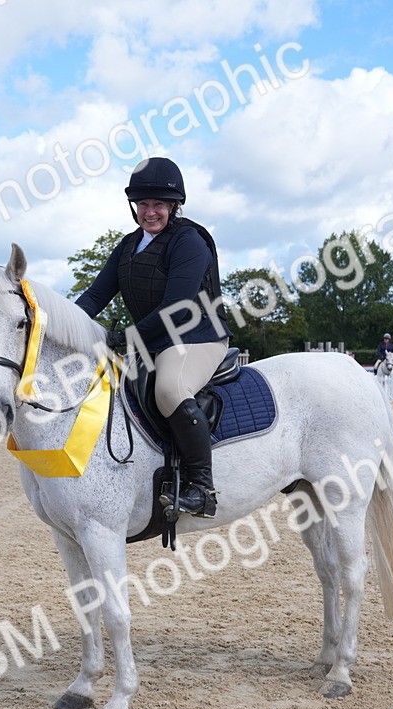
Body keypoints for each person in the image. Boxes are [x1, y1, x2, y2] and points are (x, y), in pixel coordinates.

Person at [75, 157, 232, 518]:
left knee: (169, 390)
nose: (150, 212)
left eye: (158, 204)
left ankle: (201, 487)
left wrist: (124, 337)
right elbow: (96, 296)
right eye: (143, 204)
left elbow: (176, 309)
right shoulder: (129, 246)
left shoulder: (190, 242)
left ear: (173, 206)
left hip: (197, 339)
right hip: (152, 341)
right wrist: (61, 324)